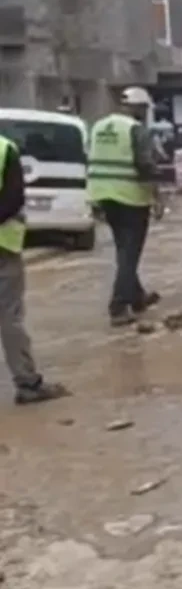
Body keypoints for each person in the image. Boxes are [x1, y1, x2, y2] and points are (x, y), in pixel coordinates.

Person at [0, 134, 70, 404]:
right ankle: (27, 383)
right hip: (3, 245)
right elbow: (13, 198)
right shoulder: (5, 148)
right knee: (9, 316)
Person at [88, 86, 161, 327]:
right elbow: (144, 165)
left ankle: (137, 297)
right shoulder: (135, 130)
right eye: (143, 108)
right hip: (130, 197)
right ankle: (118, 306)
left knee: (124, 249)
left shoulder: (99, 126)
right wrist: (157, 195)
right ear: (137, 107)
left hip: (103, 196)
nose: (143, 112)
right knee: (130, 253)